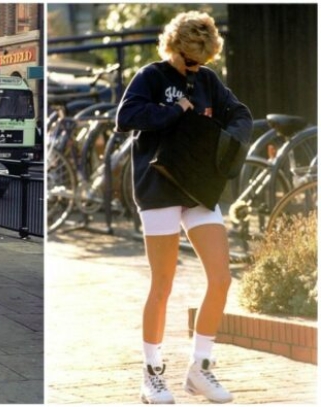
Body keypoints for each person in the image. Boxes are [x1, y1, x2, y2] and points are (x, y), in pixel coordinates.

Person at [116, 11, 252, 405]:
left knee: (222, 278)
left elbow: (240, 113)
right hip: (157, 187)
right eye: (189, 60)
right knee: (163, 283)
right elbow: (126, 118)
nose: (194, 68)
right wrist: (176, 111)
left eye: (201, 61)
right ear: (173, 48)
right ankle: (152, 374)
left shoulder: (208, 80)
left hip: (198, 188)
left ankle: (200, 369)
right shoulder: (151, 77)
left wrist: (231, 139)